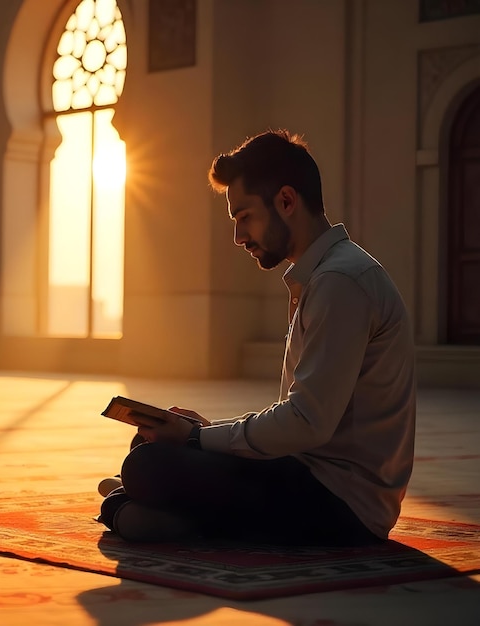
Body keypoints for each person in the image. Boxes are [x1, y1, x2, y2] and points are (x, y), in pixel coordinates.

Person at [98, 128, 416, 546]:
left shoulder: (341, 282)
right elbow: (300, 421)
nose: (238, 237)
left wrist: (196, 438)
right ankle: (147, 510)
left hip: (342, 506)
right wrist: (204, 432)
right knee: (152, 452)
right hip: (309, 478)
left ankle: (155, 514)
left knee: (148, 467)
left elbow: (305, 424)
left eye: (244, 216)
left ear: (286, 201)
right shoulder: (326, 276)